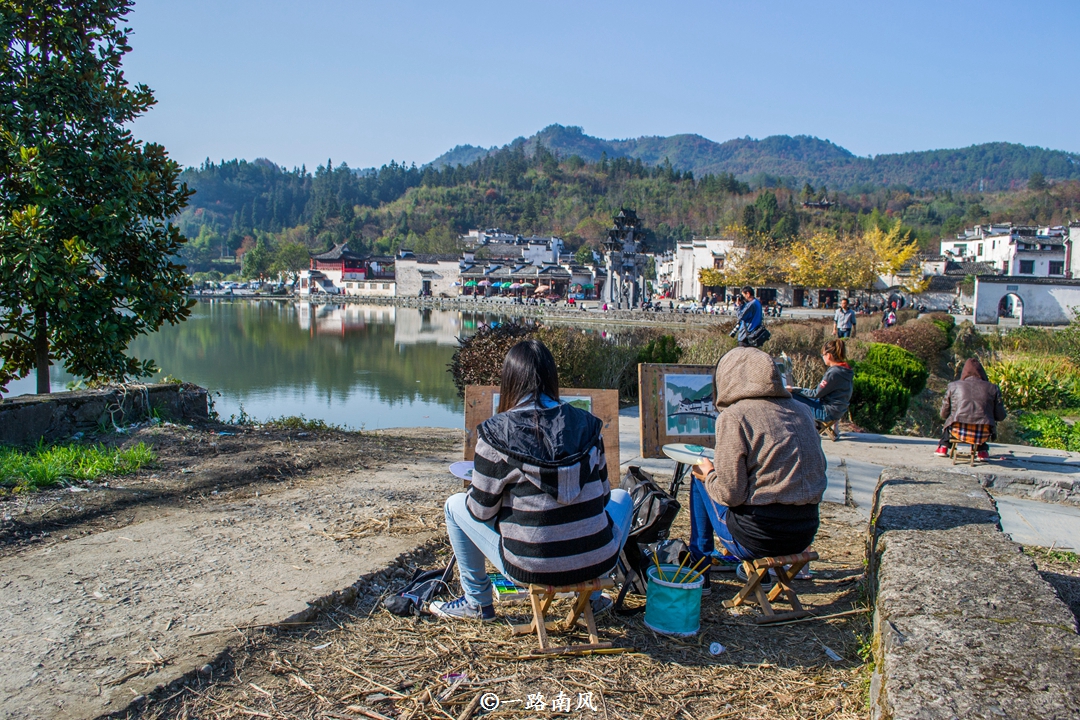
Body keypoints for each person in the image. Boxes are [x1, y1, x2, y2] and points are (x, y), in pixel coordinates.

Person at [431, 340, 633, 621]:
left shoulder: (494, 433)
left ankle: (477, 602)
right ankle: (593, 599)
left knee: (455, 505)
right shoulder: (588, 425)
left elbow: (480, 511)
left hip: (531, 564)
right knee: (624, 498)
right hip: (595, 561)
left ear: (509, 380)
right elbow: (603, 498)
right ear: (552, 378)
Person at [688, 347, 827, 590]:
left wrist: (709, 473)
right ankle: (757, 576)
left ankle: (700, 570)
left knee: (699, 475)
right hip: (803, 534)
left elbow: (730, 494)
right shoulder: (802, 412)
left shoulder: (735, 416)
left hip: (758, 539)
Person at [935, 358, 1007, 461]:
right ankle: (982, 451)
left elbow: (943, 414)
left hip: (957, 431)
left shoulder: (953, 386)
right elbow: (1000, 416)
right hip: (982, 434)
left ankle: (943, 447)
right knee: (984, 421)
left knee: (951, 419)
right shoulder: (993, 388)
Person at [788, 339, 855, 422]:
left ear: (829, 355)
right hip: (837, 411)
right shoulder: (846, 370)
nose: (822, 357)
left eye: (822, 355)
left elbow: (816, 393)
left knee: (789, 396)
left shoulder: (834, 373)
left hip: (826, 412)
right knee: (798, 395)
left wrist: (793, 389)